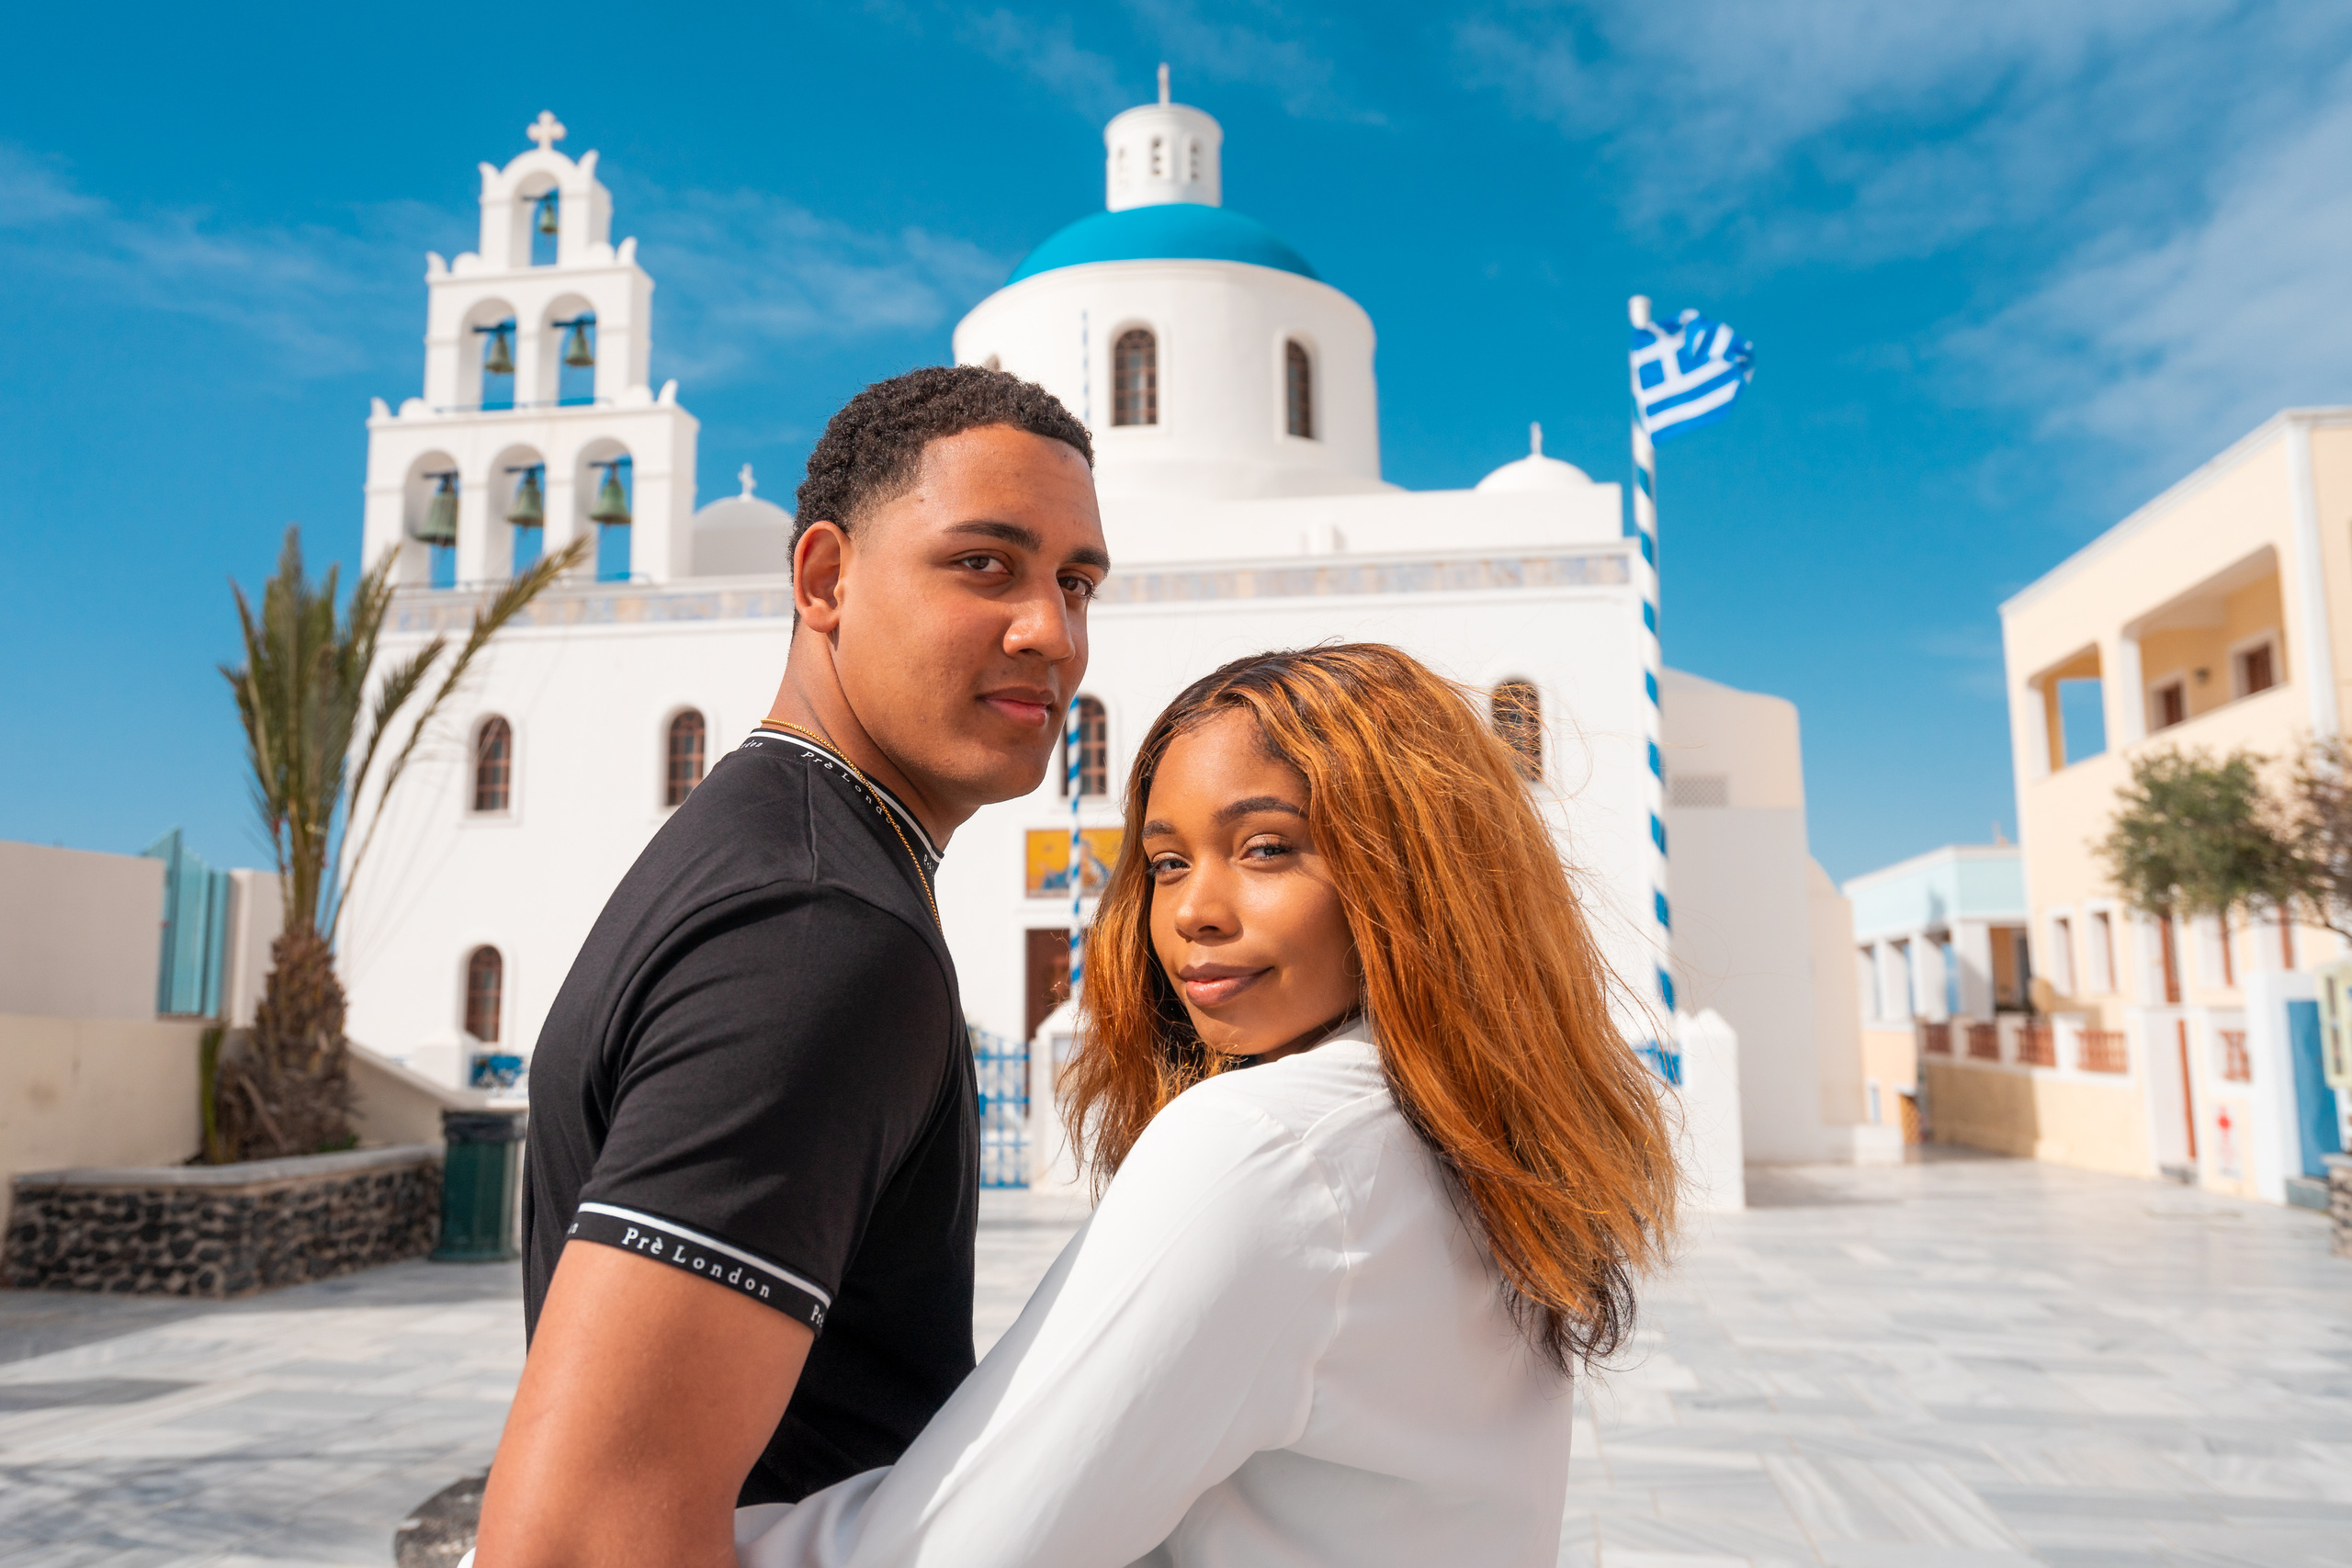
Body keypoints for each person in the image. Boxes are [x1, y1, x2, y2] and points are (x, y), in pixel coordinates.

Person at [734, 642, 1680, 1568]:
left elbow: (950, 1550)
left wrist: (653, 1531)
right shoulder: (1464, 1140)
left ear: (1414, 872)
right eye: (1167, 862)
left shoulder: (1268, 1147)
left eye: (1266, 848)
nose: (1193, 911)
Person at [471, 367, 1111, 1568]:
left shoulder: (786, 852)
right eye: (986, 564)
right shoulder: (818, 927)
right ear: (825, 577)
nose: (1050, 631)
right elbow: (586, 1532)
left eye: (1076, 582)